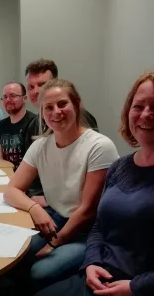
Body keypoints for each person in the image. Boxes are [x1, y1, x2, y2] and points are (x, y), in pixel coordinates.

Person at [30, 70, 154, 296]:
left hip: (152, 292)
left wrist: (136, 288)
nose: (145, 114)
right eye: (138, 106)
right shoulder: (119, 167)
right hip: (100, 279)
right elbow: (99, 225)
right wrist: (92, 263)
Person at [4, 79, 119, 292]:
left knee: (40, 271)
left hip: (89, 231)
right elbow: (11, 190)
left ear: (77, 104)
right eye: (48, 107)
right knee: (8, 255)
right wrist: (34, 208)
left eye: (62, 104)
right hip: (56, 219)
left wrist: (54, 244)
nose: (56, 112)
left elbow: (87, 211)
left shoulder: (98, 146)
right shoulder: (40, 146)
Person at [24, 58, 100, 202]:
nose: (36, 91)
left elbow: (87, 174)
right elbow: (33, 171)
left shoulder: (81, 119)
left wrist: (47, 199)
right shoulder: (33, 124)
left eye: (42, 85)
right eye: (30, 87)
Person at [0, 82, 36, 170]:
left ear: (24, 98)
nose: (8, 100)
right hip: (6, 175)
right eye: (5, 97)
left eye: (12, 96)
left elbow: (34, 162)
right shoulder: (1, 125)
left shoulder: (34, 122)